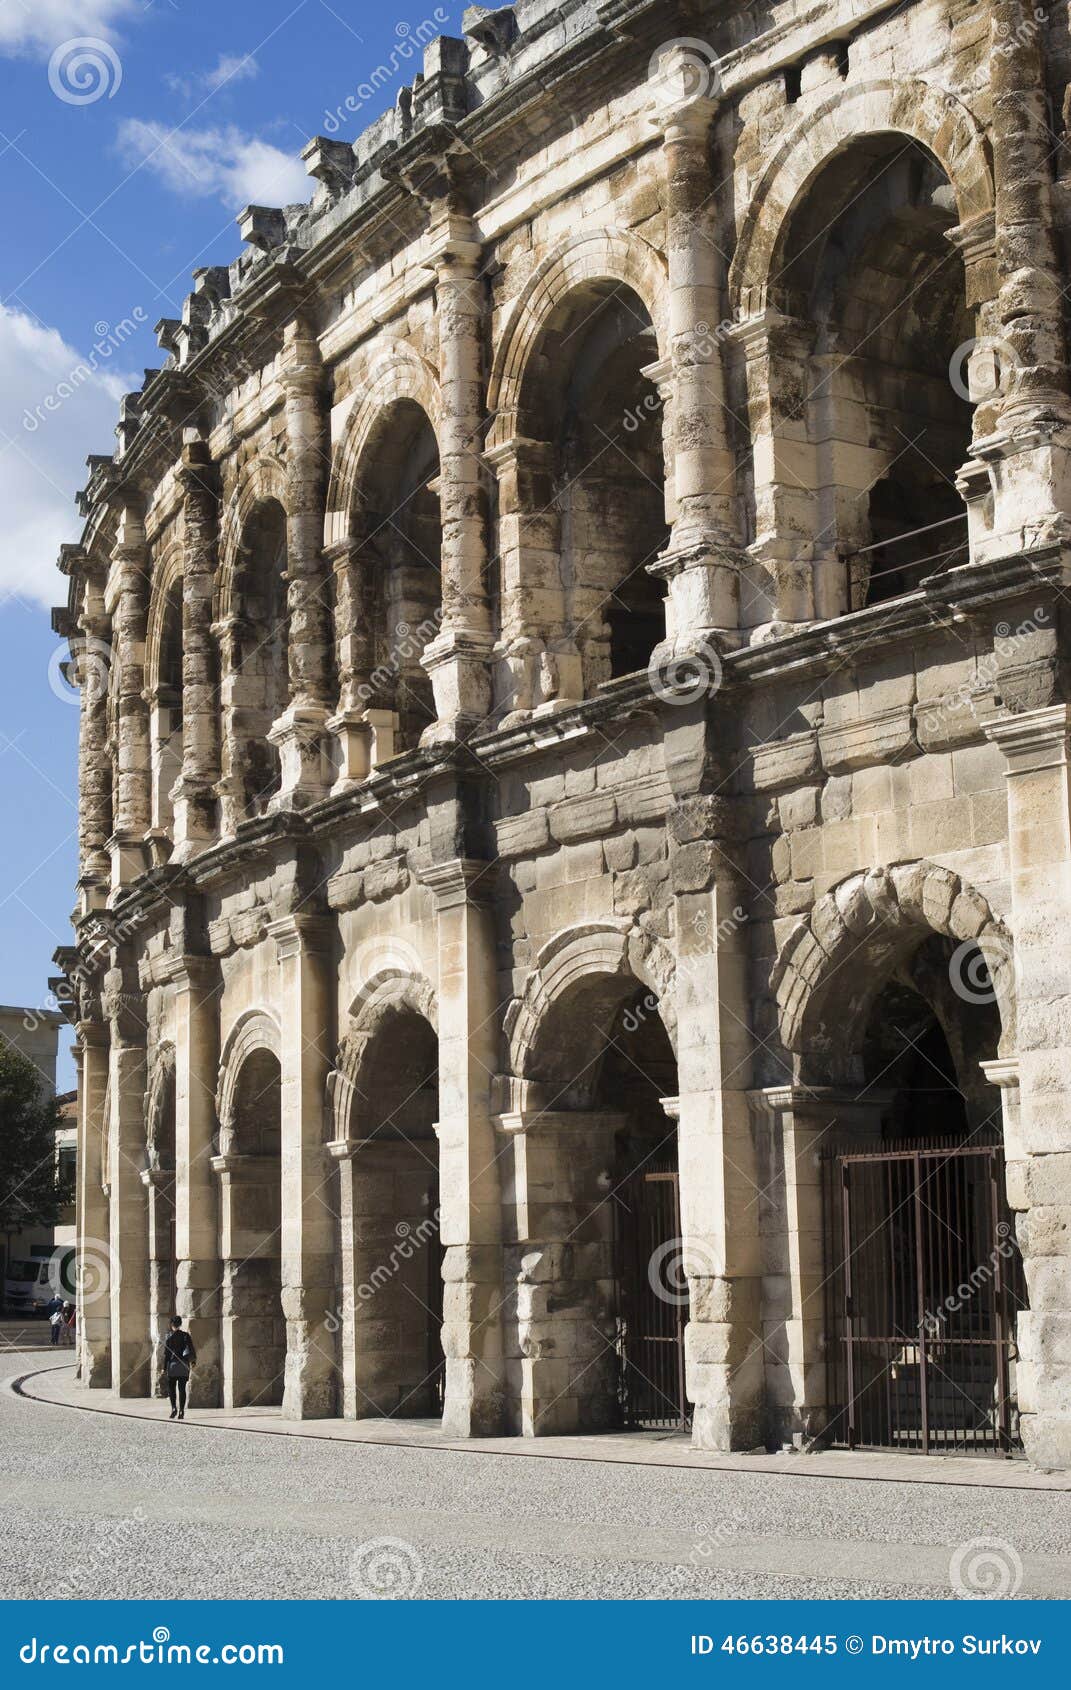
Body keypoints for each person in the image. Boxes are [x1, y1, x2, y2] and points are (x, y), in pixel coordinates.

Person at [163, 1315, 196, 1420]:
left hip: (172, 1366)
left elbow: (166, 1355)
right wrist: (193, 1362)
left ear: (171, 1324)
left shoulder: (168, 1336)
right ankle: (181, 1410)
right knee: (182, 1389)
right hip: (183, 1366)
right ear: (180, 1324)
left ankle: (173, 1408)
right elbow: (190, 1350)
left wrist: (164, 1368)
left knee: (171, 1389)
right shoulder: (186, 1335)